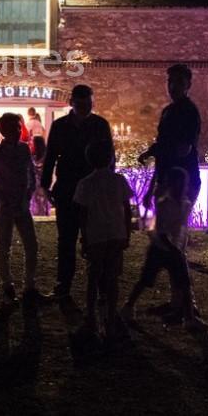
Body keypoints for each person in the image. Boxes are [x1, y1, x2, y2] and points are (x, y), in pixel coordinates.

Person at [42, 84, 114, 302]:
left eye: (88, 103)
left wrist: (107, 183)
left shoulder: (100, 125)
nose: (85, 107)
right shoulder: (60, 126)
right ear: (72, 102)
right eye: (81, 103)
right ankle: (63, 285)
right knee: (66, 239)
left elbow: (109, 156)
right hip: (67, 188)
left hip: (93, 189)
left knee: (96, 239)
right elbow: (51, 155)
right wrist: (46, 184)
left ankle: (100, 286)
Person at [119, 167, 205, 329]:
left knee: (184, 283)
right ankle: (128, 307)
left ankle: (189, 318)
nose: (181, 187)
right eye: (178, 184)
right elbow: (162, 230)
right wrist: (174, 249)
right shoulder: (165, 203)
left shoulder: (184, 204)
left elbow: (180, 228)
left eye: (183, 184)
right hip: (161, 248)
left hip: (173, 248)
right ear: (171, 185)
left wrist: (180, 245)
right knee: (146, 280)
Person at [73, 140, 133, 340]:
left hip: (96, 235)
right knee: (112, 276)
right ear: (110, 158)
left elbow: (82, 213)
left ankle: (91, 315)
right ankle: (110, 315)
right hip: (116, 234)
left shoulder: (85, 183)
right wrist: (127, 233)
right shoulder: (119, 180)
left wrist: (84, 236)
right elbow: (127, 208)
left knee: (94, 276)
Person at [0, 113, 40, 304]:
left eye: (18, 127)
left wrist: (30, 190)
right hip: (6, 205)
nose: (17, 131)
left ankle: (29, 286)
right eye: (13, 128)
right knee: (4, 246)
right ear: (4, 131)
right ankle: (8, 287)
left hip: (22, 204)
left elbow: (31, 173)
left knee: (32, 245)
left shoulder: (24, 149)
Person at [138, 64, 202, 202]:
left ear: (188, 85)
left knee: (172, 223)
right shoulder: (168, 111)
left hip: (182, 183)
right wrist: (152, 187)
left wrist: (153, 151)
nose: (173, 86)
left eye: (179, 82)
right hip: (168, 180)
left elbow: (183, 150)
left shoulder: (189, 112)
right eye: (170, 81)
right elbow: (164, 152)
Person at [30, 135, 51, 216]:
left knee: (42, 201)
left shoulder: (45, 158)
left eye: (32, 142)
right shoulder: (32, 157)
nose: (30, 144)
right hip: (34, 184)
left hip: (42, 183)